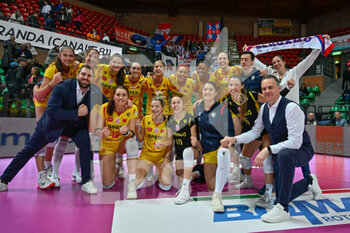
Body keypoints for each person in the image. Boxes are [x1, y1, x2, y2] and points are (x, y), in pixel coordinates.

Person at [221, 75, 322, 223]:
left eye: (270, 87)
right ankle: (309, 181)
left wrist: (267, 149)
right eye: (264, 88)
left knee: (285, 157)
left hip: (301, 150)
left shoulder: (291, 108)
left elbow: (295, 142)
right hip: (280, 152)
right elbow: (255, 132)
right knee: (282, 192)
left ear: (279, 88)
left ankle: (283, 208)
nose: (267, 91)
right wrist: (235, 139)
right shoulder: (264, 109)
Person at [0, 65, 100, 194]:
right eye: (83, 74)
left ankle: (86, 182)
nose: (86, 78)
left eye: (89, 76)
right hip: (52, 124)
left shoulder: (94, 90)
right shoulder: (62, 87)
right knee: (28, 151)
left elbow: (107, 103)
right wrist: (76, 113)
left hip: (75, 126)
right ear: (77, 75)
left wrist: (125, 103)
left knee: (86, 146)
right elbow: (52, 111)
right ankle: (3, 180)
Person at [192, 82, 235, 208]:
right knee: (211, 186)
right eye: (205, 89)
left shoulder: (222, 109)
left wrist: (224, 144)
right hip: (207, 147)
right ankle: (228, 175)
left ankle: (217, 196)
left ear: (216, 93)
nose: (208, 92)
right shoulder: (197, 108)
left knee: (223, 153)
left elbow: (230, 133)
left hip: (222, 145)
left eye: (211, 89)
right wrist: (195, 139)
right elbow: (193, 124)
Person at [128, 94, 174, 199]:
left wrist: (164, 145)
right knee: (136, 184)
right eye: (152, 106)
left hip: (161, 157)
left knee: (166, 185)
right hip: (146, 155)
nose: (154, 109)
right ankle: (147, 169)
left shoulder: (168, 121)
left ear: (163, 107)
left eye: (157, 106)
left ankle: (159, 172)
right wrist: (136, 125)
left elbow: (170, 141)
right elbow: (140, 138)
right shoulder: (146, 119)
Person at [158, 94, 200, 204]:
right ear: (171, 105)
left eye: (178, 102)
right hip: (179, 152)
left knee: (188, 152)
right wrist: (163, 144)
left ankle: (185, 192)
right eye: (173, 103)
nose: (176, 105)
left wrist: (194, 141)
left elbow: (194, 139)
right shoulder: (170, 120)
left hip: (192, 150)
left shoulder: (190, 118)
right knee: (182, 181)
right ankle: (196, 173)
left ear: (183, 105)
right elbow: (169, 141)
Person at [95, 86, 139, 189]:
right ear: (113, 96)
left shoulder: (133, 108)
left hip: (121, 143)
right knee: (107, 184)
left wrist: (125, 133)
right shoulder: (104, 108)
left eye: (124, 95)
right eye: (118, 94)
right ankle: (117, 165)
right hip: (107, 145)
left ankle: (132, 182)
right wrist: (101, 132)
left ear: (128, 97)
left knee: (132, 143)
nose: (121, 97)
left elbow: (132, 132)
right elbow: (97, 130)